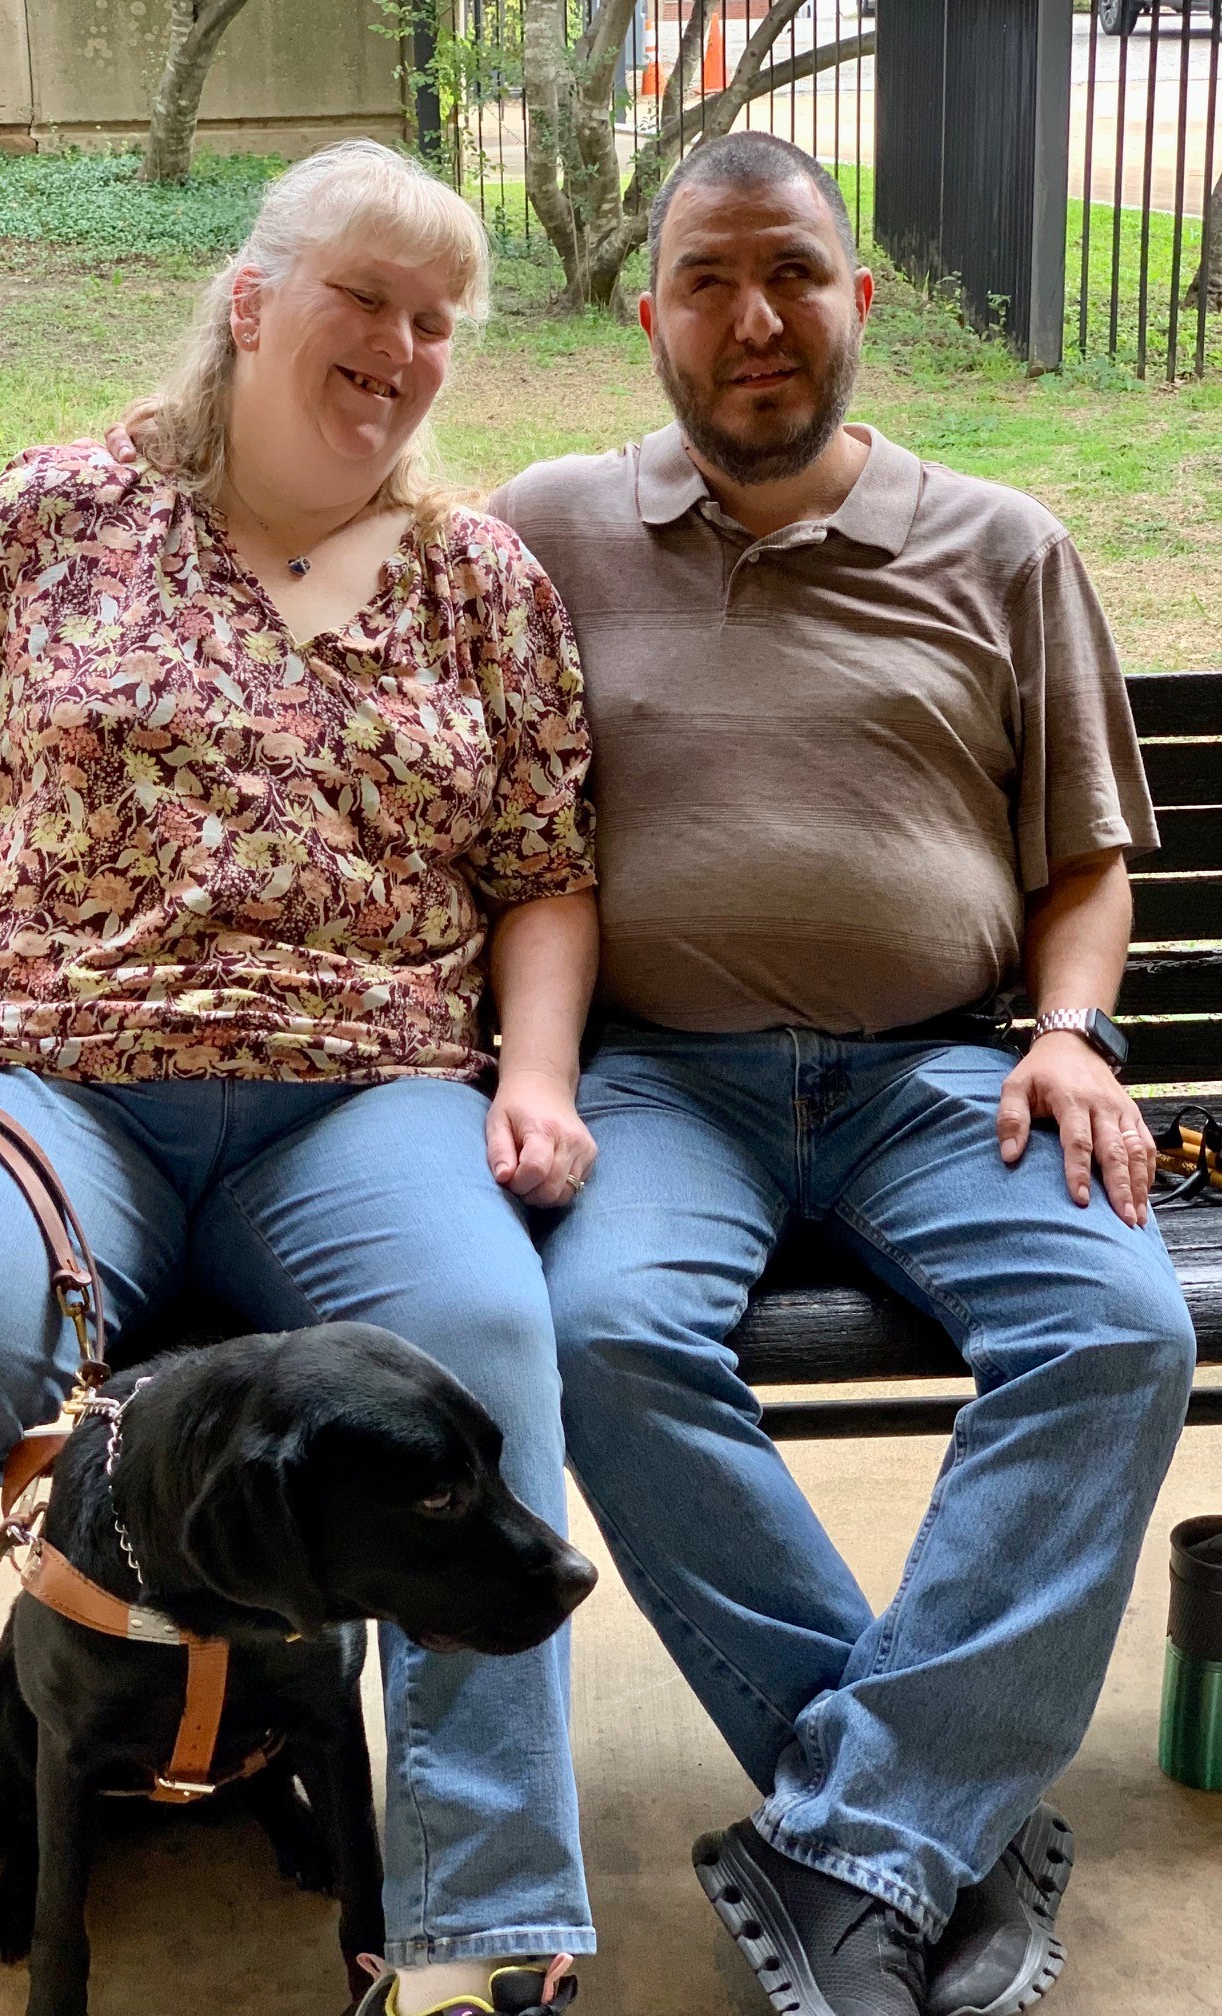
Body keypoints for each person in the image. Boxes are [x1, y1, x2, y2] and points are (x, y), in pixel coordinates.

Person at [0, 142, 601, 2016]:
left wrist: (533, 1074)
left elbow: (541, 867)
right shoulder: (64, 512)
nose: (403, 347)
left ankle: (477, 1896)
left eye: (439, 321)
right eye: (367, 297)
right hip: (50, 1074)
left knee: (481, 1344)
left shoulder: (481, 580)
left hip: (362, 1092)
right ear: (254, 297)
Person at [483, 134, 1196, 2016]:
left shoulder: (1003, 542)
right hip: (659, 1088)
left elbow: (1084, 859)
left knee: (1121, 1331)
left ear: (859, 298)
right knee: (601, 1340)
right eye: (707, 280)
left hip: (947, 1075)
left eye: (793, 272)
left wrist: (1070, 1031)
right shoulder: (541, 529)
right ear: (649, 318)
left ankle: (856, 1846)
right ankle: (916, 1831)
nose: (754, 319)